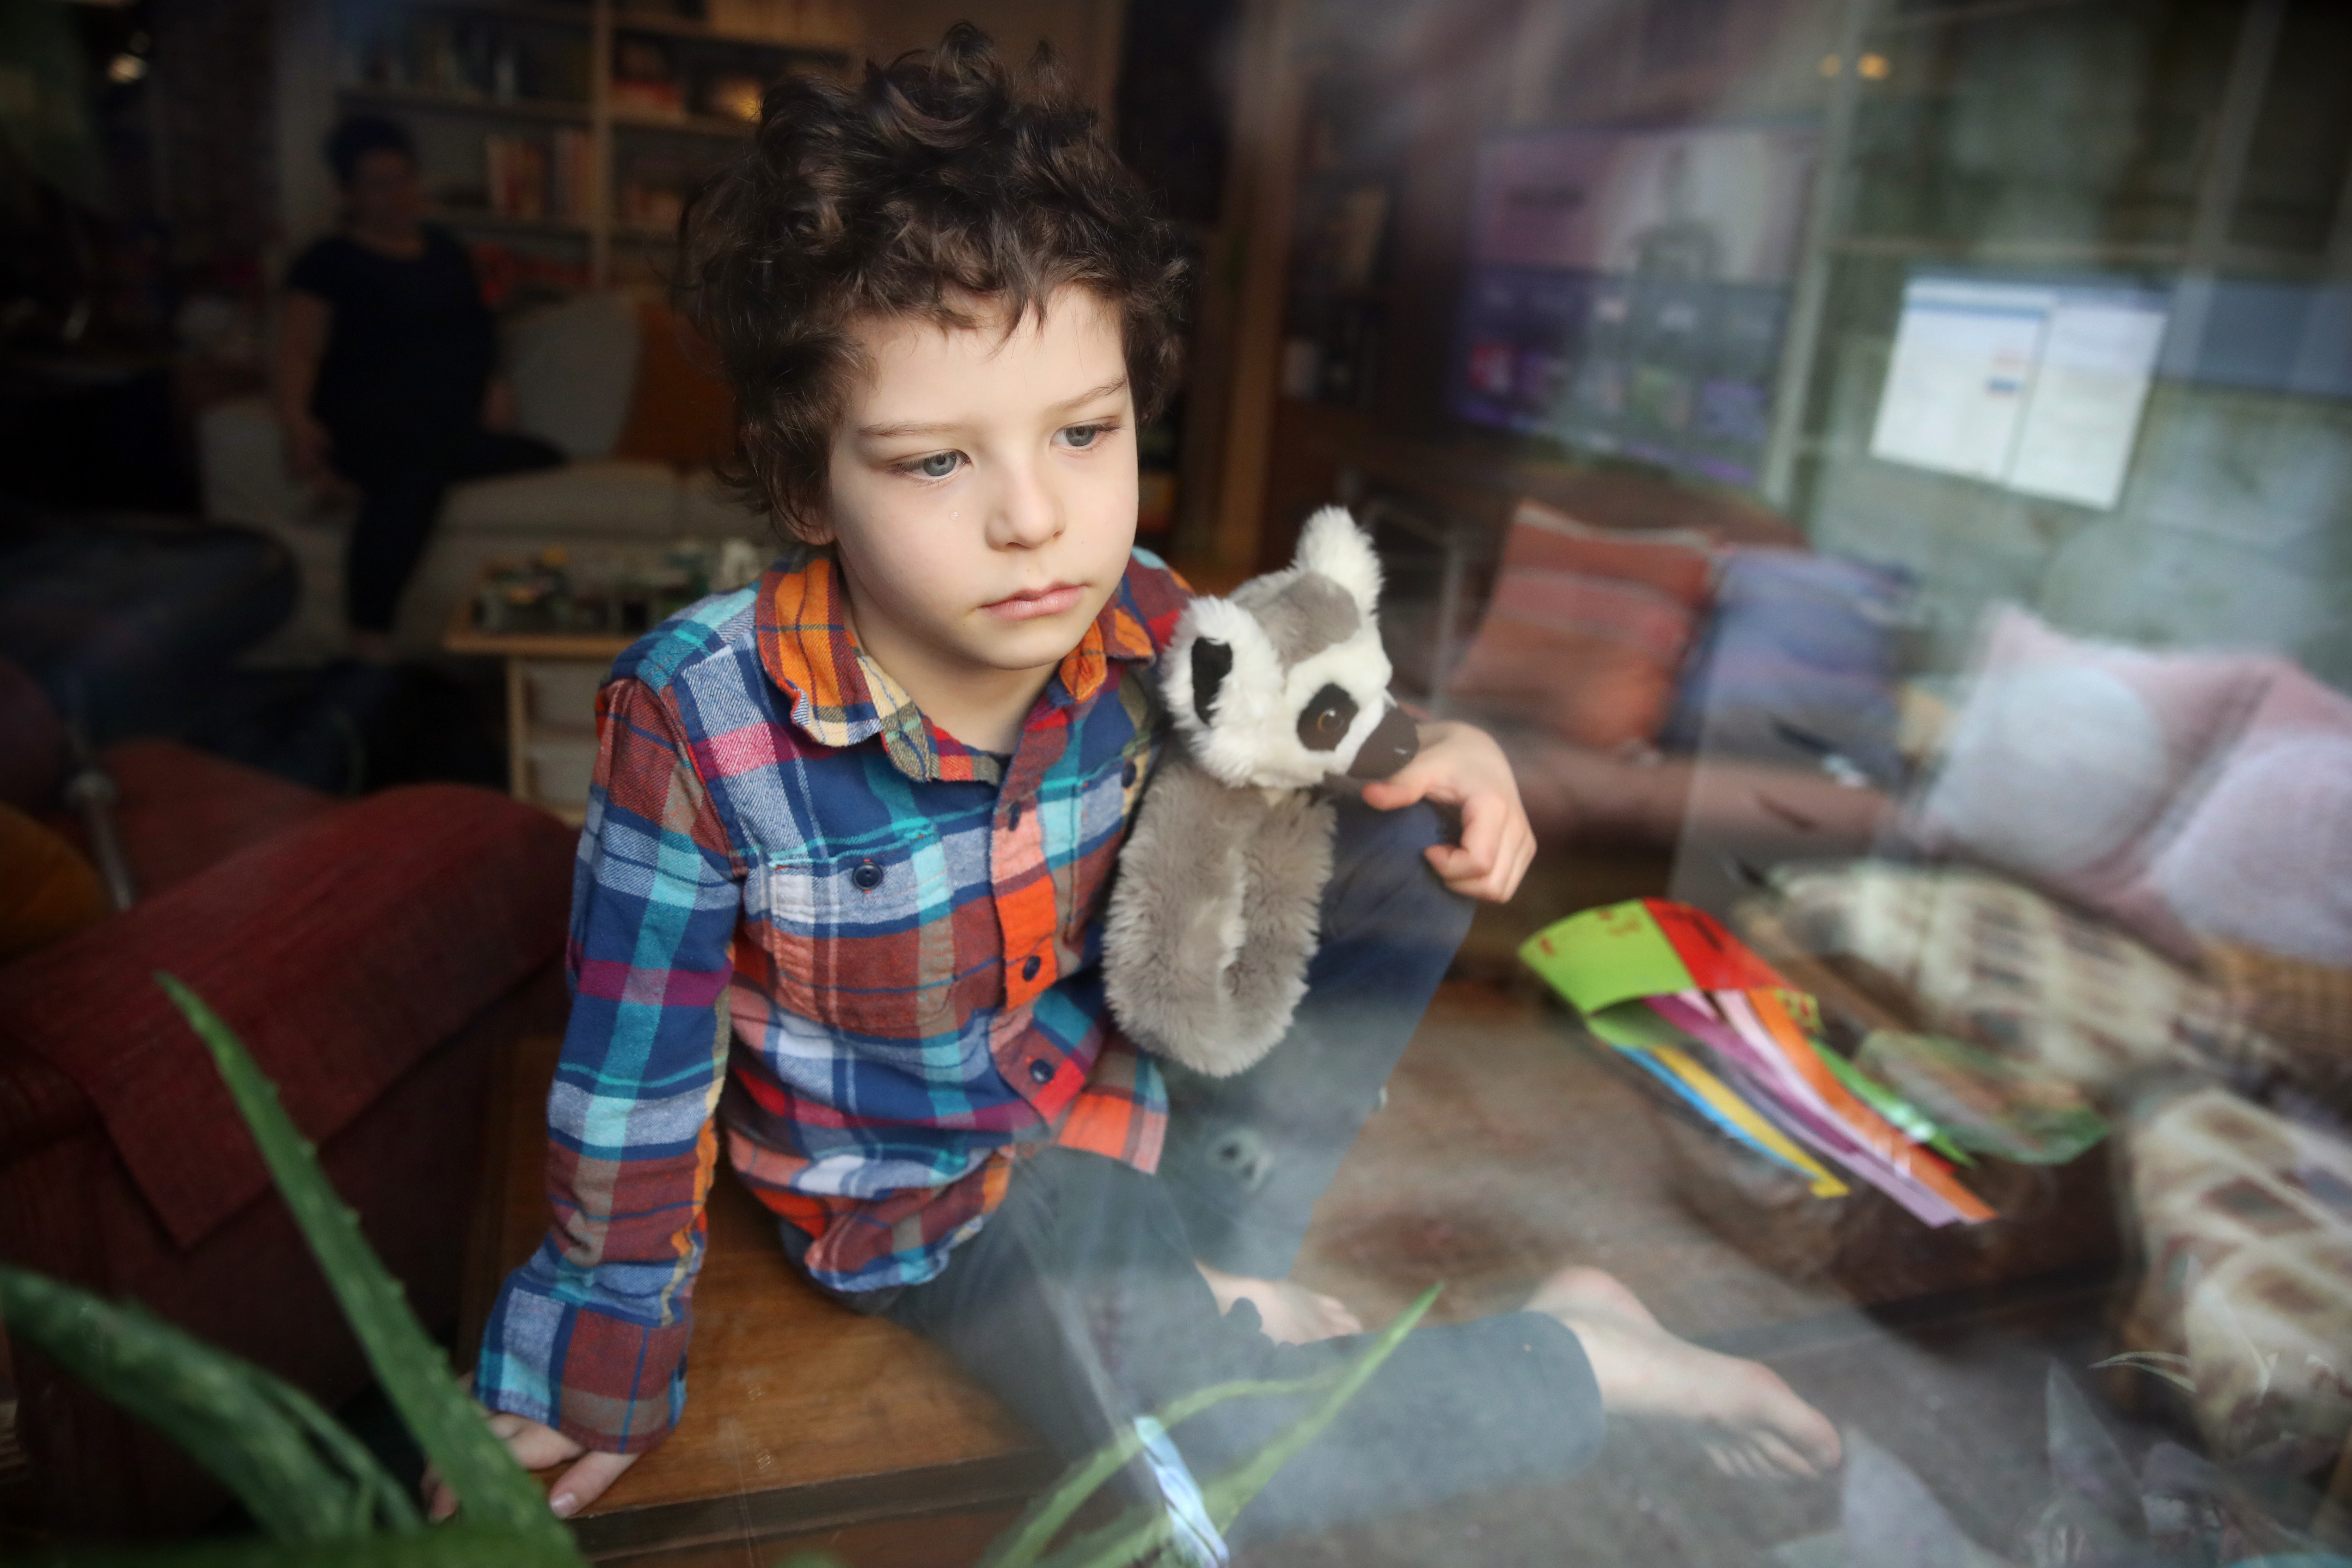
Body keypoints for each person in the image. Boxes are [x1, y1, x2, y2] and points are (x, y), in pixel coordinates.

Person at [430, 28, 1840, 1544]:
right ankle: (1586, 1354)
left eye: (1084, 433)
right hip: (940, 1208)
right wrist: (597, 1362)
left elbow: (1322, 710)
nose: (1036, 518)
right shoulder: (698, 721)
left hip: (1127, 1114)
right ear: (802, 483)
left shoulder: (1147, 613)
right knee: (1223, 1476)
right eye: (931, 463)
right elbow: (631, 1085)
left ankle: (1233, 1252)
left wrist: (1449, 746)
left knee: (1406, 816)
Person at [274, 117, 561, 662]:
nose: (397, 195)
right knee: (414, 471)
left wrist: (495, 384)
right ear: (348, 193)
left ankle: (350, 487)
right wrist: (296, 420)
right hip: (366, 419)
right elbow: (298, 349)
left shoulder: (446, 252)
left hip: (445, 423)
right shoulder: (327, 262)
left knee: (544, 454)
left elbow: (475, 333)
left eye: (404, 179)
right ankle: (369, 640)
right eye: (378, 183)